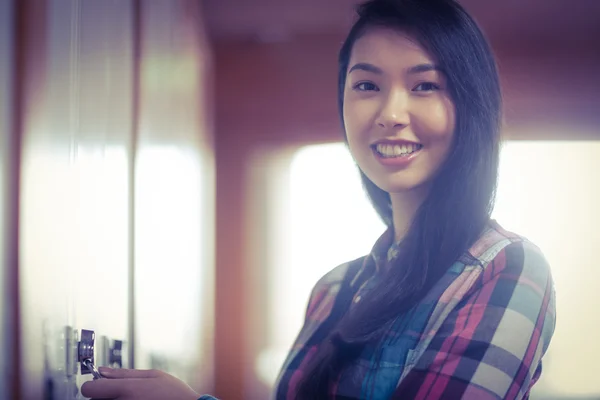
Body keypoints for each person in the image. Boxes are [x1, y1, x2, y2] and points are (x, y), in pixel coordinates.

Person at [81, 0, 556, 399]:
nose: (391, 113)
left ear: (471, 104)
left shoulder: (509, 269)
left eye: (424, 86)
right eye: (367, 85)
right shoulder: (333, 291)